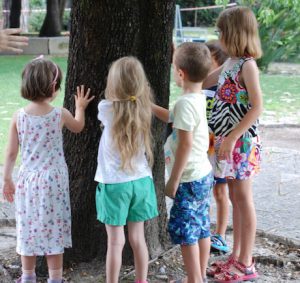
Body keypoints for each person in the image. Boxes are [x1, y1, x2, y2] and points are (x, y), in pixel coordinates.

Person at [2, 57, 94, 283]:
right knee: (54, 230)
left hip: (27, 180)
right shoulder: (59, 114)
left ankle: (28, 276)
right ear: (53, 87)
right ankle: (55, 279)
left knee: (27, 227)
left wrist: (7, 179)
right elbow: (79, 126)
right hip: (53, 182)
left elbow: (12, 153)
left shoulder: (19, 116)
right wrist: (80, 107)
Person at [204, 6, 263, 282]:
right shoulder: (230, 63)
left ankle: (247, 262)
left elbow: (256, 106)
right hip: (227, 145)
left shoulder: (248, 65)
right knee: (236, 200)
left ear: (235, 34)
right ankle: (236, 257)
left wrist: (233, 136)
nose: (219, 37)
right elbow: (205, 81)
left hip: (240, 144)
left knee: (243, 200)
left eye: (222, 32)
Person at [152, 42, 213, 283]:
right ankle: (199, 275)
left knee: (188, 234)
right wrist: (147, 106)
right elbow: (171, 116)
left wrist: (173, 181)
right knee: (201, 227)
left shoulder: (185, 103)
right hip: (203, 175)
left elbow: (185, 144)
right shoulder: (194, 98)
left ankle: (195, 279)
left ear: (180, 73)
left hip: (188, 178)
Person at [94, 56, 158, 283]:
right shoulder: (143, 110)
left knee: (115, 242)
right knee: (138, 238)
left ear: (113, 84)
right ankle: (142, 280)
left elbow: (109, 107)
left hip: (114, 184)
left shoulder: (105, 108)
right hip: (141, 183)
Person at [204, 40, 230, 254]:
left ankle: (220, 234)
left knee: (220, 191)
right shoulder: (199, 85)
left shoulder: (223, 84)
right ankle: (204, 231)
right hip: (202, 145)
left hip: (218, 144)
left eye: (208, 59)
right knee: (203, 189)